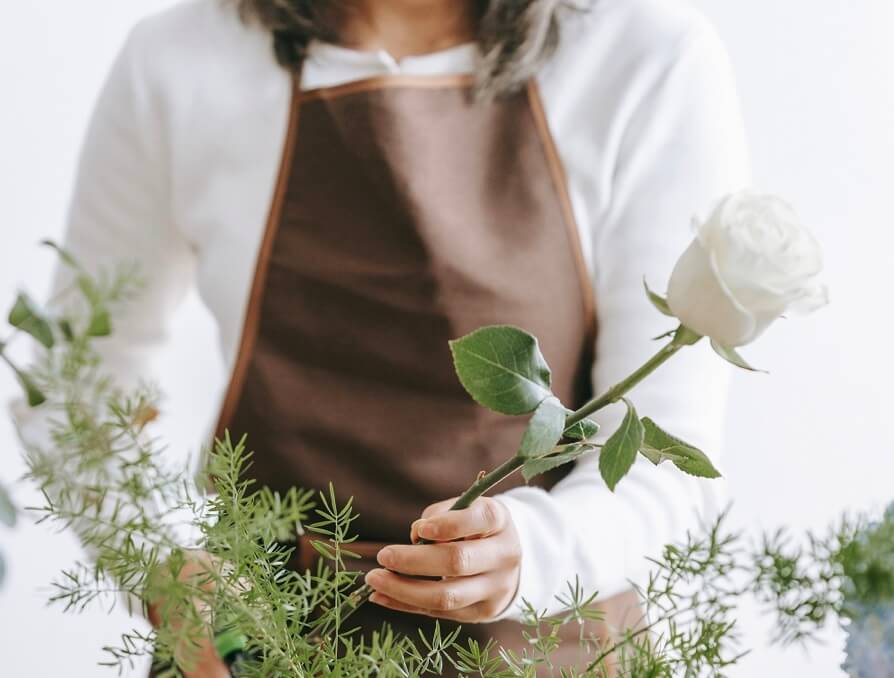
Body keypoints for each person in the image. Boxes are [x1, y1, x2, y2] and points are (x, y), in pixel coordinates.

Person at [36, 0, 749, 673]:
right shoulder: (180, 61)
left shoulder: (645, 58)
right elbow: (73, 384)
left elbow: (663, 457)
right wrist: (161, 563)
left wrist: (532, 552)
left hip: (546, 650)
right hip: (261, 647)